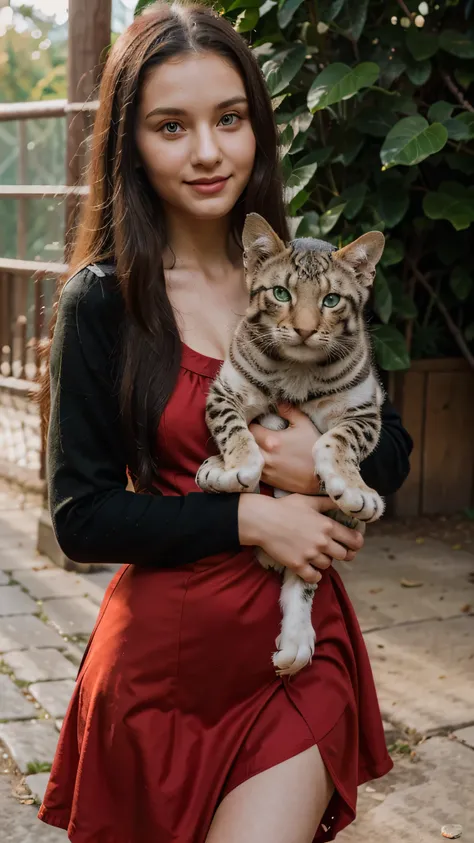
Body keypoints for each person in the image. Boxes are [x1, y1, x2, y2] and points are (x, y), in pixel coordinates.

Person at [38, 3, 413, 842]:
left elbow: (393, 445)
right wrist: (251, 515)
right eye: (172, 126)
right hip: (160, 674)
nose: (208, 151)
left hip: (295, 652)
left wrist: (315, 464)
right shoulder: (104, 302)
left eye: (230, 119)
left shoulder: (303, 280)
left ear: (258, 128)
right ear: (129, 142)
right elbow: (81, 516)